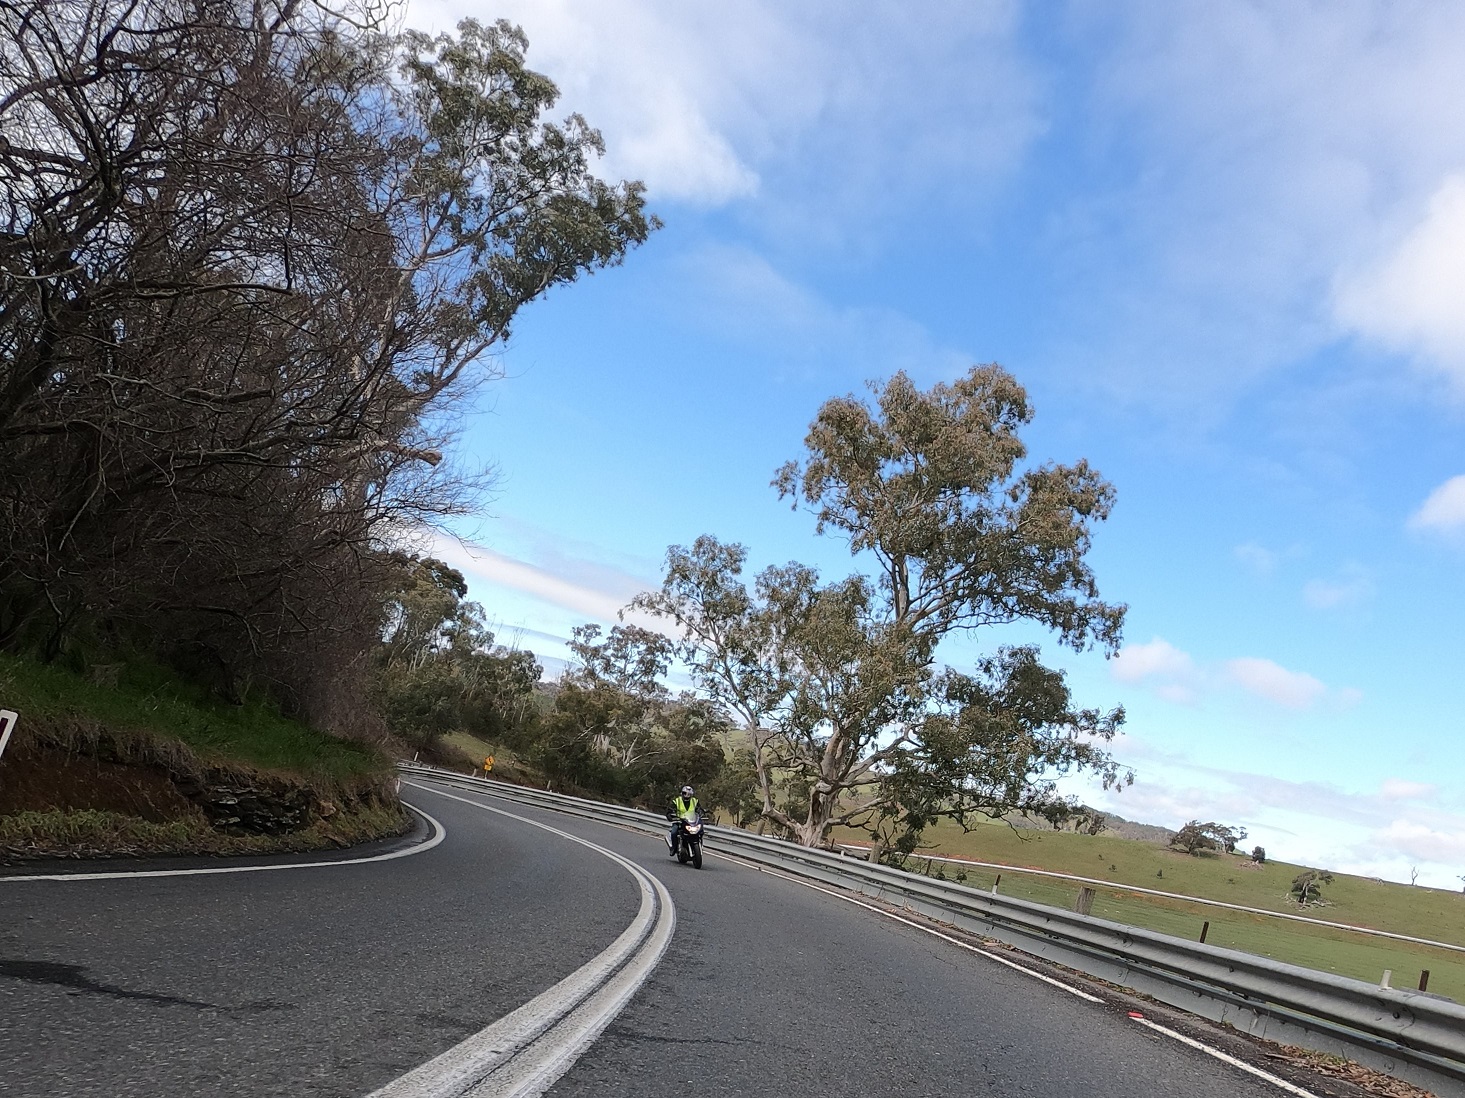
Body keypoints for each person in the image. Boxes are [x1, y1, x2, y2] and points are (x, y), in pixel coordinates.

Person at [666, 785, 699, 857]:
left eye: (689, 794)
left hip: (691, 822)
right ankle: (673, 848)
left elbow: (699, 810)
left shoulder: (695, 801)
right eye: (685, 793)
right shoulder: (676, 801)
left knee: (699, 831)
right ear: (682, 793)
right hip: (679, 822)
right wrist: (671, 816)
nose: (686, 796)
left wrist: (702, 814)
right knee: (674, 832)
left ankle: (698, 846)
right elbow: (669, 811)